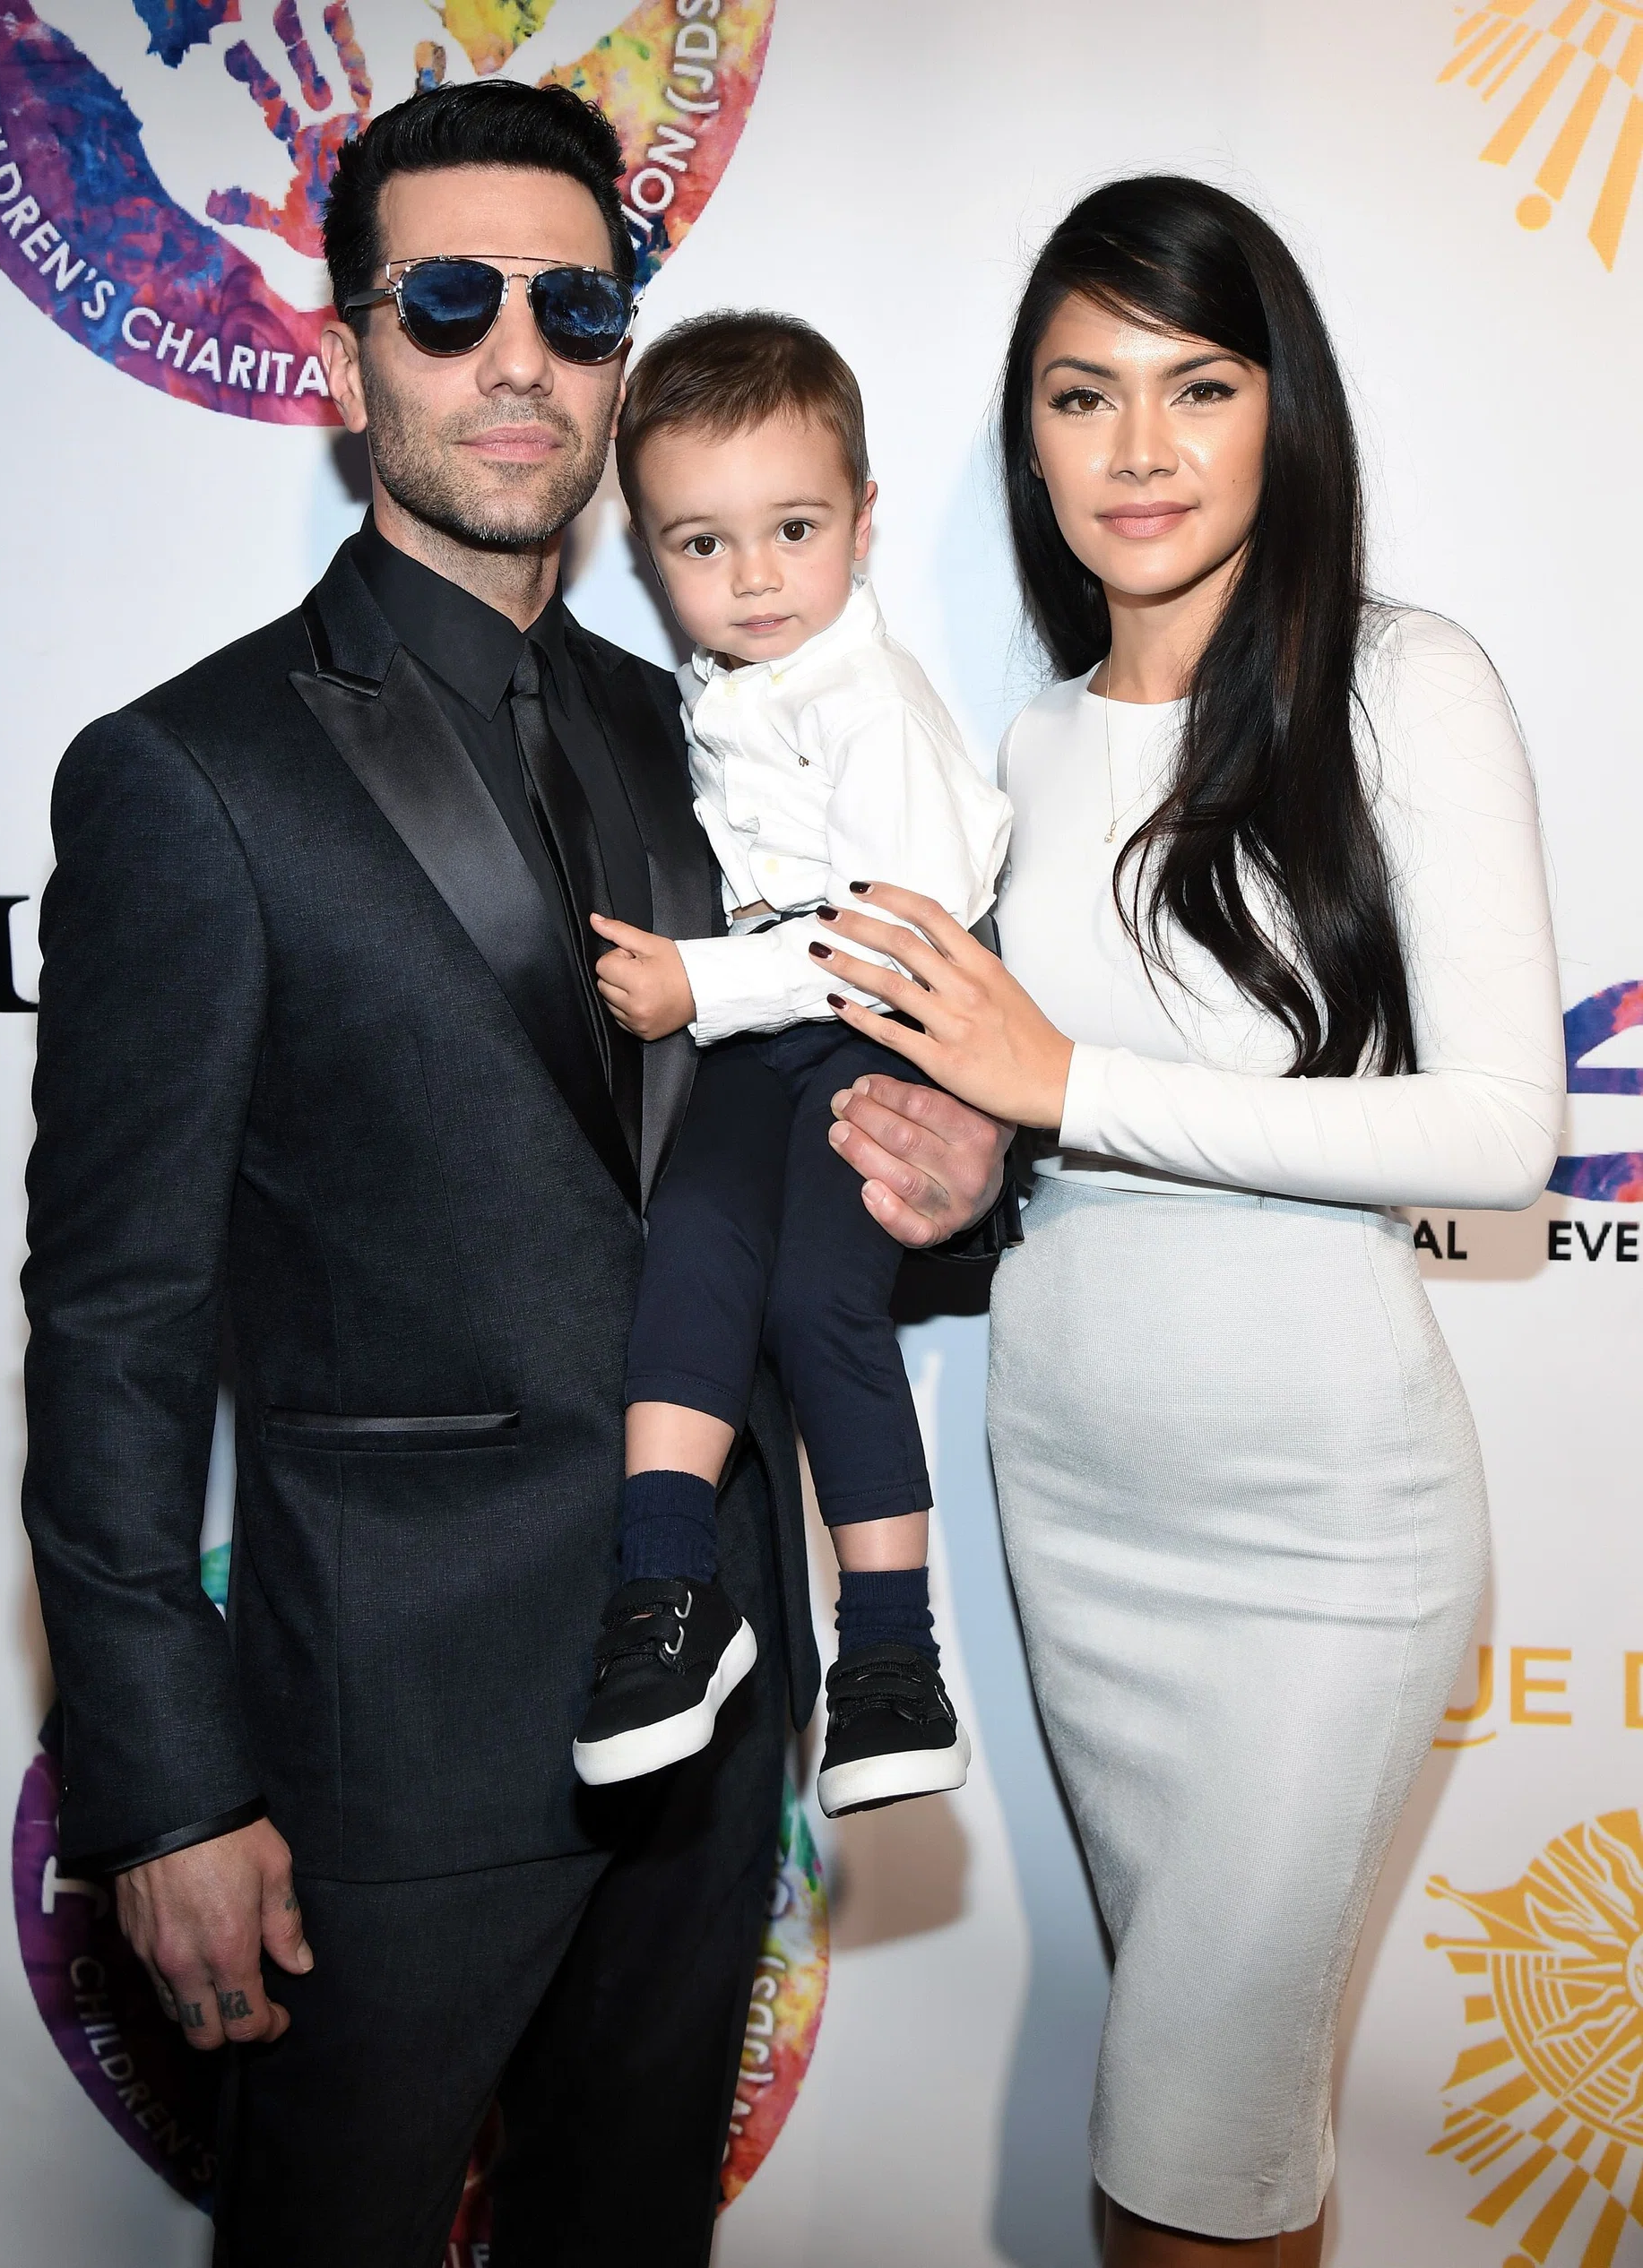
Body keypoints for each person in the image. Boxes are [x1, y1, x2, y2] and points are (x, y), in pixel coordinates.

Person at [20, 81, 1005, 2268]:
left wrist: (948, 1178)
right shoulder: (196, 770)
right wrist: (161, 1783)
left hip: (715, 1692)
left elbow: (807, 1141)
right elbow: (113, 1327)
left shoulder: (719, 728)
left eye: (576, 302)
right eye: (449, 298)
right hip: (390, 1747)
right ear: (350, 347)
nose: (515, 352)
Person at [803, 177, 1563, 2266]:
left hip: (1323, 1536)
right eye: (1082, 394)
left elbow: (1507, 1125)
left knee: (1182, 2153)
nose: (1137, 449)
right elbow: (1020, 1131)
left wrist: (1064, 1085)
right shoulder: (1019, 751)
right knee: (1233, 2151)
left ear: (1277, 412)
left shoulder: (1405, 683)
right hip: (1078, 1511)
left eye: (1196, 384)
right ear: (1026, 443)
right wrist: (978, 1152)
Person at [566, 311, 1011, 1817]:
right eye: (702, 543)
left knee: (824, 1300)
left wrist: (702, 977)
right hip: (761, 1046)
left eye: (795, 528)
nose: (753, 577)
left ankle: (891, 1656)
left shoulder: (867, 704)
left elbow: (891, 938)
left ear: (864, 523)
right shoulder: (728, 691)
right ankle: (664, 1600)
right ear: (645, 545)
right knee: (687, 1262)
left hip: (867, 1037)